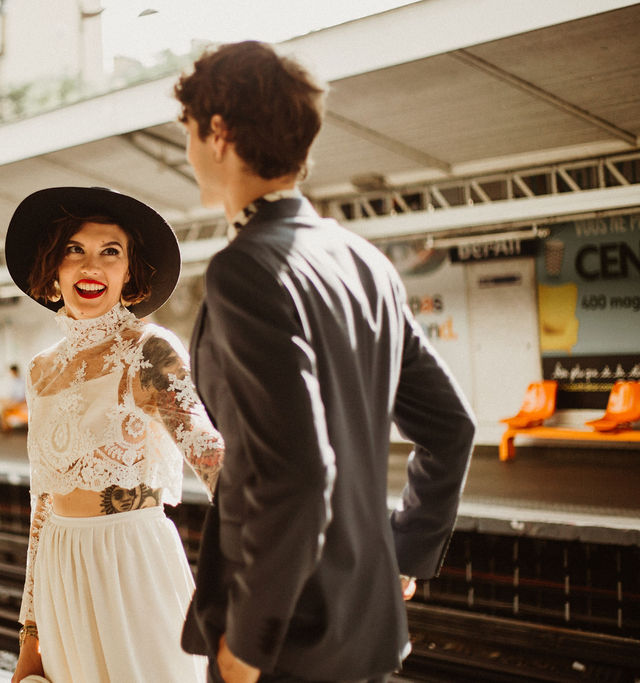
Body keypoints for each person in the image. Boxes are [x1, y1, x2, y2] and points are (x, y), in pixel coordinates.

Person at [173, 41, 476, 683]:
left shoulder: (245, 269)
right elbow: (451, 428)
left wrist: (249, 644)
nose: (189, 153)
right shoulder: (365, 262)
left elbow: (298, 473)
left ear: (219, 133)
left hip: (285, 637)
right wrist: (405, 551)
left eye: (190, 134)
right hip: (365, 628)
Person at [4, 186, 224, 683]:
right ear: (54, 272)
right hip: (61, 568)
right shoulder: (41, 371)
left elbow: (209, 453)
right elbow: (42, 504)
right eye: (74, 250)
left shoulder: (150, 351)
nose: (91, 266)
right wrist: (30, 634)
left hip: (131, 564)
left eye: (111, 252)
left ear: (130, 274)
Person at [0, 364, 29, 436]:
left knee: (2, 409)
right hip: (13, 400)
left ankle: (0, 428)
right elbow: (12, 395)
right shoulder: (14, 381)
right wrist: (5, 400)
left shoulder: (23, 381)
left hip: (20, 402)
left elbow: (21, 397)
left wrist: (10, 401)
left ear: (14, 371)